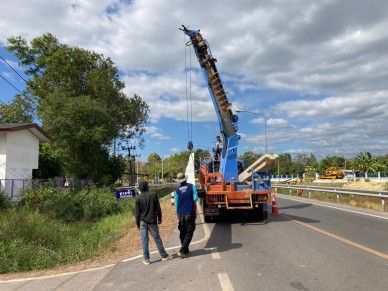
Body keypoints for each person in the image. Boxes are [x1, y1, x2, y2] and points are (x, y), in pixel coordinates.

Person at [135, 180, 173, 265]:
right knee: (157, 239)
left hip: (142, 222)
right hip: (152, 221)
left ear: (140, 188)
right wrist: (160, 218)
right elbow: (158, 208)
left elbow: (137, 213)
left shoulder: (138, 198)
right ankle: (164, 256)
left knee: (144, 240)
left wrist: (138, 224)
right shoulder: (153, 194)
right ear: (147, 186)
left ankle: (146, 259)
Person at [174, 173, 198, 258]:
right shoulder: (192, 187)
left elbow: (176, 204)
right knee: (190, 231)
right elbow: (195, 198)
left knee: (183, 232)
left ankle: (185, 251)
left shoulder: (177, 190)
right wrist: (190, 203)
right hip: (189, 212)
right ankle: (182, 250)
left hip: (180, 214)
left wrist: (178, 213)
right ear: (186, 179)